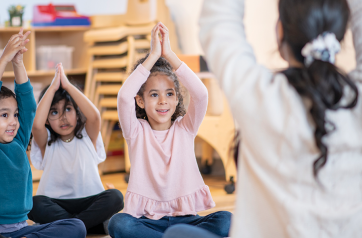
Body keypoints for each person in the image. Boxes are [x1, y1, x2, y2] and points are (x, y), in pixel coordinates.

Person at [198, 0, 362, 237]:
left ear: (280, 31)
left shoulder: (258, 95)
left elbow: (218, 21)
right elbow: (219, 22)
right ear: (339, 35)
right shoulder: (356, 100)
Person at [107, 22, 232, 238]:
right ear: (141, 101)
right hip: (148, 222)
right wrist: (153, 55)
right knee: (119, 224)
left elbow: (201, 94)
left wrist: (169, 55)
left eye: (170, 94)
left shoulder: (185, 127)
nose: (163, 101)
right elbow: (123, 97)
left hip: (187, 220)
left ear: (177, 99)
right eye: (154, 94)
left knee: (226, 220)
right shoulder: (135, 131)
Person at [0, 29, 86, 238]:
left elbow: (28, 108)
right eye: (4, 115)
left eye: (15, 115)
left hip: (19, 230)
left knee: (76, 227)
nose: (13, 121)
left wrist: (18, 63)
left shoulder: (18, 142)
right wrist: (3, 60)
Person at [28, 63, 124, 235]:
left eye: (68, 109)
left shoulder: (88, 135)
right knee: (33, 203)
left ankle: (67, 228)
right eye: (54, 112)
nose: (63, 118)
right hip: (55, 202)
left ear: (78, 112)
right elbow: (36, 125)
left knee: (116, 197)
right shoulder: (47, 141)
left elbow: (94, 116)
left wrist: (67, 85)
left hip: (89, 200)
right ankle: (87, 226)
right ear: (47, 120)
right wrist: (53, 88)